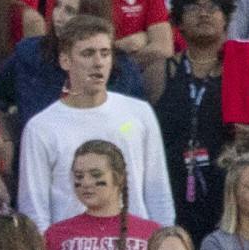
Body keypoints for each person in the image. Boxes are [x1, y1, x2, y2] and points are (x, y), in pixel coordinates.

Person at [17, 16, 172, 229]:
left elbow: (158, 192)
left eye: (105, 53)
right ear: (65, 61)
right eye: (87, 54)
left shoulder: (139, 113)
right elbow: (34, 208)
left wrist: (160, 247)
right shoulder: (41, 128)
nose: (98, 62)